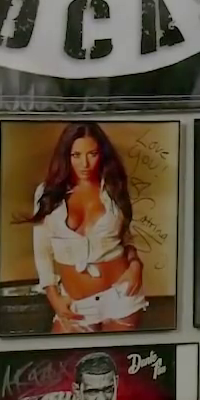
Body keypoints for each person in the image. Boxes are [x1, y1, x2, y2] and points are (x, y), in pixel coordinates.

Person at [27, 122, 147, 333]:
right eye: (76, 155)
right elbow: (42, 252)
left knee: (117, 355)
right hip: (75, 302)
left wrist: (136, 265)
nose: (85, 164)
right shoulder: (47, 193)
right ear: (66, 156)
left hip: (121, 295)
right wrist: (54, 298)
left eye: (92, 154)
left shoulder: (113, 187)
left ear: (102, 154)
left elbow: (125, 236)